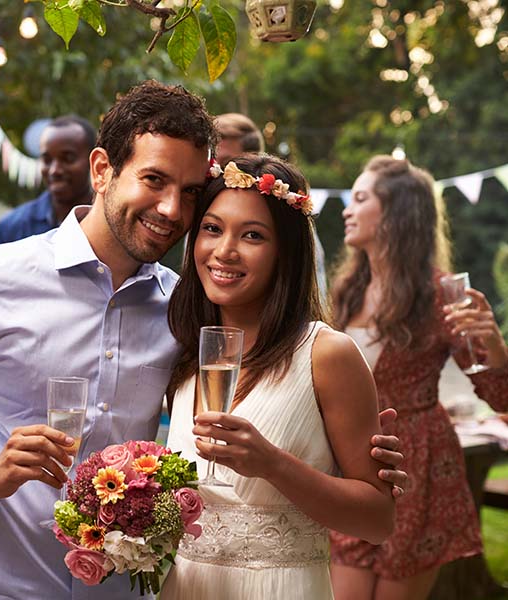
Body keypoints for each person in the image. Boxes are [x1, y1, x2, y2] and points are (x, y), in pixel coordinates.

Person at [0, 81, 407, 600]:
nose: (173, 210)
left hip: (126, 592)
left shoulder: (185, 312)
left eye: (189, 193)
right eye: (154, 180)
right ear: (102, 169)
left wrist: (354, 453)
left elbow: (282, 403)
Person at [159, 154, 394, 599]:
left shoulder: (327, 354)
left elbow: (378, 521)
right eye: (212, 228)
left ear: (285, 251)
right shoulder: (186, 351)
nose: (225, 250)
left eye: (252, 235)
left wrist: (272, 464)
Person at [328, 156, 508, 599]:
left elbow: (499, 395)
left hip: (419, 471)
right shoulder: (347, 291)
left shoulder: (442, 294)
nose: (348, 209)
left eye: (362, 198)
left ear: (396, 213)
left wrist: (496, 347)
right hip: (352, 466)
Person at [215, 112, 328, 299]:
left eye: (228, 165)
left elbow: (312, 297)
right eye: (213, 229)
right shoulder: (200, 215)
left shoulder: (289, 221)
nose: (219, 174)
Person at [0, 115, 95, 244]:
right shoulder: (11, 227)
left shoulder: (111, 223)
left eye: (68, 158)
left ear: (94, 161)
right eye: (47, 160)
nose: (54, 170)